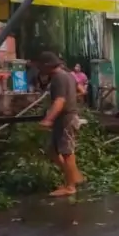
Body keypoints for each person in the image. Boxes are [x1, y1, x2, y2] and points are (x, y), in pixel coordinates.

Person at [37, 52, 84, 197]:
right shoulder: (68, 75)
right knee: (52, 150)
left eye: (41, 66)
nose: (40, 70)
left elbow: (60, 101)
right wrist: (72, 98)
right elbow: (82, 91)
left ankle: (70, 187)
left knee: (67, 153)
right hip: (64, 118)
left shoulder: (58, 78)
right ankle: (74, 177)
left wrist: (48, 119)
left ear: (47, 66)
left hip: (66, 119)